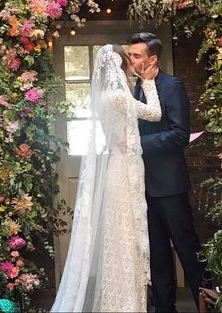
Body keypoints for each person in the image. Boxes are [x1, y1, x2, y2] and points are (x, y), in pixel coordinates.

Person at [51, 44, 162, 312]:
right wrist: (148, 83)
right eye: (128, 60)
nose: (132, 65)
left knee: (122, 238)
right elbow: (155, 113)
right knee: (126, 240)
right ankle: (124, 304)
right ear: (119, 65)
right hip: (123, 173)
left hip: (118, 166)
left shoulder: (104, 96)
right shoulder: (117, 97)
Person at [129, 32, 208, 313]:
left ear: (153, 59)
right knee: (157, 253)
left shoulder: (172, 86)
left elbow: (178, 135)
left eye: (136, 55)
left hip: (171, 185)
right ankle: (164, 308)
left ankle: (211, 302)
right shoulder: (135, 88)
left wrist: (137, 144)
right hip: (144, 186)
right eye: (130, 55)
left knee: (187, 248)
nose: (131, 60)